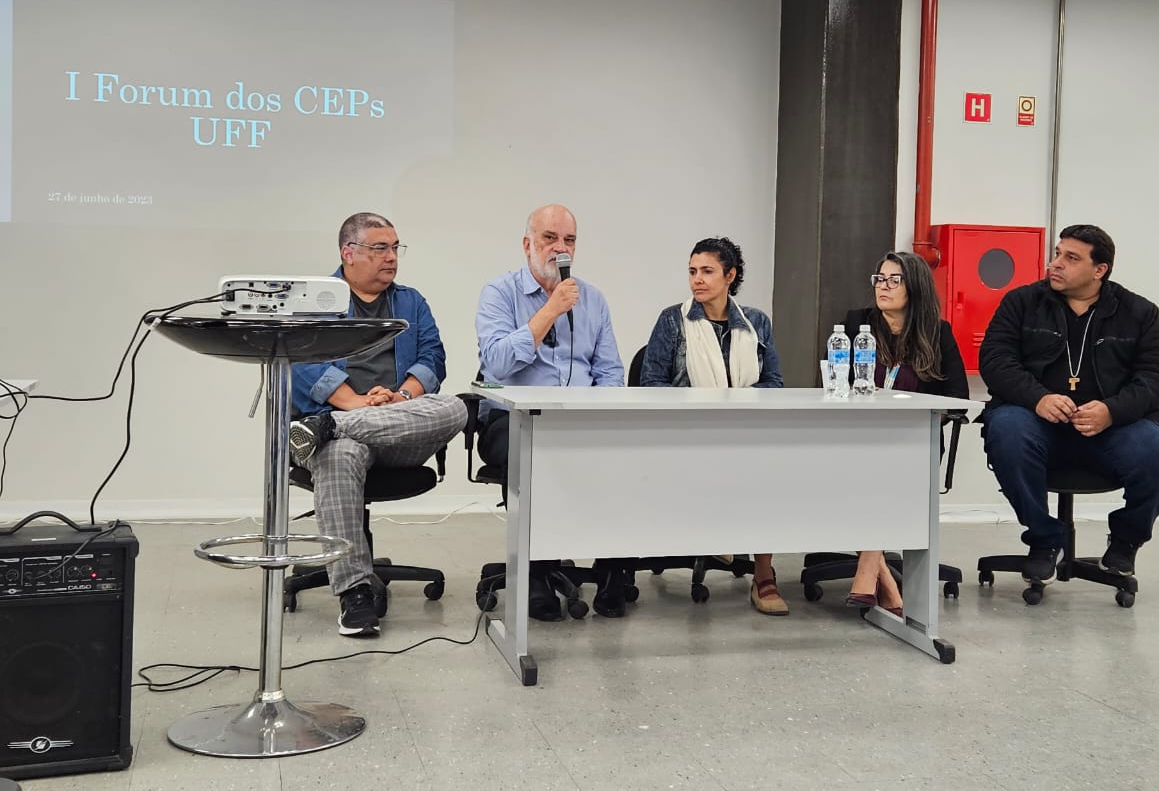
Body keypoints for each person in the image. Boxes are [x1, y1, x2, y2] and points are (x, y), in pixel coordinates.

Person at [288, 212, 467, 637]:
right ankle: (355, 593)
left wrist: (399, 398)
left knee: (456, 408)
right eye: (380, 248)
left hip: (396, 430)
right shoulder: (315, 301)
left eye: (395, 248)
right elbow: (302, 362)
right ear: (348, 253)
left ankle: (331, 426)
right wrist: (353, 404)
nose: (392, 257)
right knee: (340, 454)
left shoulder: (412, 302)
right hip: (342, 433)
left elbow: (433, 358)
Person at [979, 224, 1159, 585]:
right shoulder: (1021, 302)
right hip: (1036, 424)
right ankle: (1044, 540)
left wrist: (1111, 410)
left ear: (1099, 269)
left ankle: (1126, 541)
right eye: (1057, 253)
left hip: (1112, 429)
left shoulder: (1139, 312)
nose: (1056, 263)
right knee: (1007, 429)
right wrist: (1037, 398)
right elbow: (995, 360)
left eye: (1071, 258)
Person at [475, 204, 627, 621]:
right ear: (527, 244)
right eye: (549, 238)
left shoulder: (593, 299)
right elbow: (497, 363)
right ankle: (535, 572)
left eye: (569, 240)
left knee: (630, 447)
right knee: (529, 450)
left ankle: (614, 568)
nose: (560, 248)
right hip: (512, 419)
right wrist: (550, 310)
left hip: (577, 419)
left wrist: (598, 411)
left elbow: (611, 373)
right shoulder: (499, 293)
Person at [638, 237, 790, 616]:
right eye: (692, 271)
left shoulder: (756, 322)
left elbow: (774, 383)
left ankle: (763, 574)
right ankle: (722, 533)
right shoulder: (673, 320)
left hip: (744, 431)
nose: (697, 280)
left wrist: (734, 405)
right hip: (687, 434)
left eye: (707, 271)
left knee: (769, 470)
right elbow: (651, 384)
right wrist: (705, 406)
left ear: (730, 275)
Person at [842, 251, 968, 614]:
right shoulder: (857, 325)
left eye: (893, 280)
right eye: (879, 279)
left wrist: (921, 420)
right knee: (871, 472)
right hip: (857, 438)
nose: (883, 287)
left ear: (914, 287)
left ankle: (869, 570)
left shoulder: (937, 333)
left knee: (885, 471)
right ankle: (884, 580)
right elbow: (832, 384)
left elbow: (958, 399)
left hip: (913, 443)